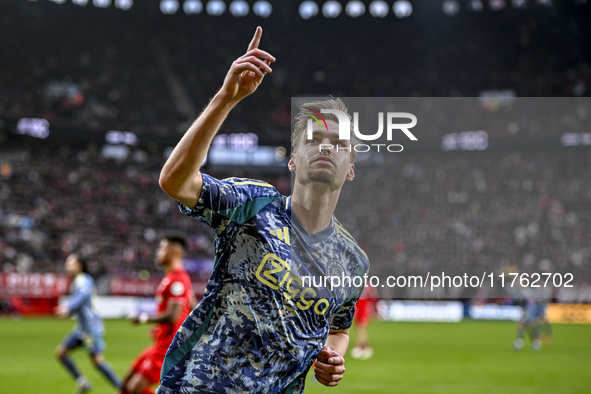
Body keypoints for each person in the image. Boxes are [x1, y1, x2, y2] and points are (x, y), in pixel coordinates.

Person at [156, 27, 369, 394]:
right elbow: (176, 182)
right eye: (313, 139)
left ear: (350, 167)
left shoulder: (352, 261)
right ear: (292, 161)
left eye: (339, 143)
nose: (325, 147)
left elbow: (339, 328)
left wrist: (333, 356)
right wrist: (226, 98)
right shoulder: (254, 204)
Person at [120, 234, 196, 394]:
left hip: (169, 346)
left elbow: (173, 315)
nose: (158, 252)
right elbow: (194, 309)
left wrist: (142, 318)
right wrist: (160, 329)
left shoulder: (178, 279)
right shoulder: (173, 278)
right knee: (126, 383)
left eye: (162, 248)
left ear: (174, 252)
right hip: (161, 342)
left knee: (135, 387)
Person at [54, 253, 121, 394]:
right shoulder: (78, 280)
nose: (67, 266)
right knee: (61, 354)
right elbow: (82, 304)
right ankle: (83, 382)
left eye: (70, 263)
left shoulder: (83, 280)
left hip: (91, 329)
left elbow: (81, 297)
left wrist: (68, 307)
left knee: (98, 362)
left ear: (79, 266)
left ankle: (122, 389)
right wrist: (69, 312)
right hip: (81, 330)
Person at [350, 284, 378, 360]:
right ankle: (364, 346)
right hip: (357, 304)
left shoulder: (367, 285)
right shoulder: (356, 283)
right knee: (358, 327)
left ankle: (361, 346)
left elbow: (373, 297)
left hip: (364, 305)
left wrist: (375, 309)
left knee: (361, 327)